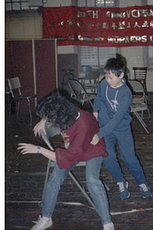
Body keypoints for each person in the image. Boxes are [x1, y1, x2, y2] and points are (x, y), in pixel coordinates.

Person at [18, 92, 114, 230]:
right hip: (73, 146)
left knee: (92, 180)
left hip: (92, 148)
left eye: (50, 119)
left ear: (58, 117)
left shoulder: (82, 125)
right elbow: (55, 106)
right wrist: (43, 120)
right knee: (54, 178)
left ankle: (107, 223)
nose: (50, 123)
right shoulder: (69, 112)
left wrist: (39, 149)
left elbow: (68, 157)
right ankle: (46, 218)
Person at [91, 58, 152, 200]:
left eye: (111, 77)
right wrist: (95, 110)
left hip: (121, 127)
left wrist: (99, 134)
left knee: (129, 158)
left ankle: (142, 182)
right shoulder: (103, 84)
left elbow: (117, 120)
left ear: (121, 75)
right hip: (105, 126)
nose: (108, 80)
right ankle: (121, 181)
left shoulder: (126, 93)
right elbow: (99, 97)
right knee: (108, 156)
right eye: (106, 76)